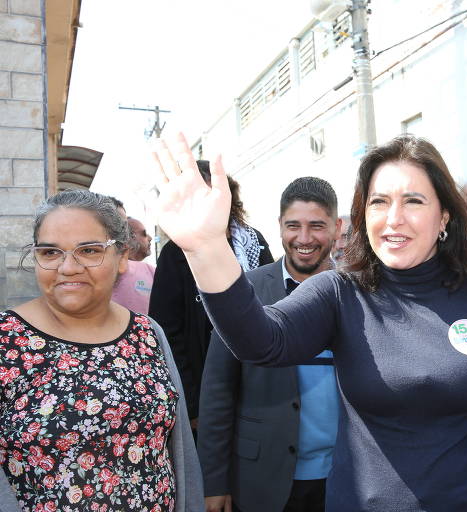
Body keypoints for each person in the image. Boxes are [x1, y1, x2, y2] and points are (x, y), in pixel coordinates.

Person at [150, 133, 467, 511]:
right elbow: (260, 340)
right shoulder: (341, 292)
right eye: (379, 202)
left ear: (444, 216)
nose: (394, 219)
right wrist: (206, 247)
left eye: (413, 201)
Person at [0, 189, 202, 512]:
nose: (68, 267)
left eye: (89, 250)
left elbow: (180, 455)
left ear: (122, 257)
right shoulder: (7, 342)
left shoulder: (148, 334)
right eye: (50, 252)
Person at [199, 177, 342, 512]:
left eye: (317, 226)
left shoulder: (358, 291)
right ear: (279, 226)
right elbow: (218, 389)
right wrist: (214, 481)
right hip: (263, 479)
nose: (304, 238)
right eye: (293, 225)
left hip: (343, 476)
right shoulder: (244, 292)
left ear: (337, 227)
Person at [150, 160, 273, 432]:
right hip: (208, 392)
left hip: (261, 387)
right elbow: (167, 334)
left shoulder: (254, 242)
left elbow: (274, 307)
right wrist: (193, 406)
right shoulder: (175, 254)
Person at [112, 216, 155, 314]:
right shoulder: (109, 268)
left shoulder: (152, 271)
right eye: (144, 234)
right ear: (128, 237)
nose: (150, 238)